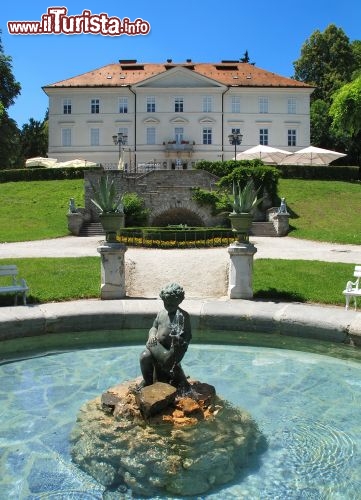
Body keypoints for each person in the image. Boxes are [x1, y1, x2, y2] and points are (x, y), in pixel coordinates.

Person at [139, 283, 192, 389]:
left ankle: (168, 367)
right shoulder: (161, 313)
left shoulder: (181, 316)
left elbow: (187, 336)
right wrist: (152, 335)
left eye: (172, 305)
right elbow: (154, 327)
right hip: (156, 346)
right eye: (166, 304)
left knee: (168, 363)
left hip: (171, 351)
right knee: (144, 356)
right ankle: (148, 381)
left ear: (179, 301)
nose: (168, 307)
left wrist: (181, 344)